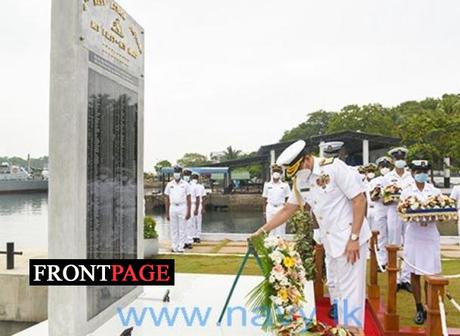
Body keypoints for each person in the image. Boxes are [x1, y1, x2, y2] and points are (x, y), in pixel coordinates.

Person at [253, 140, 371, 331]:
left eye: (298, 168)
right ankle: (344, 330)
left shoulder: (334, 168)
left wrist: (354, 239)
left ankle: (353, 331)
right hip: (330, 240)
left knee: (352, 294)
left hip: (350, 239)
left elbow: (359, 200)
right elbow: (287, 210)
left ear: (307, 159)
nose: (297, 174)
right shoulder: (300, 179)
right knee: (339, 291)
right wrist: (262, 231)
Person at [399, 160, 442, 324]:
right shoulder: (406, 192)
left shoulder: (436, 191)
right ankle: (419, 308)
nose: (421, 174)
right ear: (413, 173)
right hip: (414, 234)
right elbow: (403, 214)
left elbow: (442, 213)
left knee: (431, 273)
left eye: (424, 171)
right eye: (418, 171)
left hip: (430, 234)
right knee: (415, 272)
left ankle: (430, 306)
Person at [382, 147, 413, 291]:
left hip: (407, 213)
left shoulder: (410, 177)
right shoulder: (387, 177)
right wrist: (390, 197)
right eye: (397, 159)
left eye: (402, 159)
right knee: (393, 244)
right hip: (393, 211)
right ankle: (393, 279)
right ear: (393, 161)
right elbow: (383, 199)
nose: (400, 161)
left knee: (409, 244)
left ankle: (405, 278)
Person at [369, 156, 393, 268]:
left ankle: (393, 259)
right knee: (382, 236)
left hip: (392, 208)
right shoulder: (374, 181)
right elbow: (372, 197)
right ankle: (383, 261)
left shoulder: (394, 179)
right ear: (379, 168)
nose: (385, 168)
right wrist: (377, 193)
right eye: (383, 166)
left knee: (394, 235)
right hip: (380, 209)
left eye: (387, 166)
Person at [164, 165, 191, 253]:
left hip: (183, 207)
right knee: (173, 229)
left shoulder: (185, 184)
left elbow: (189, 198)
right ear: (173, 173)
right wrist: (167, 212)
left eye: (178, 172)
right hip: (172, 207)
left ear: (181, 173)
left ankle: (180, 247)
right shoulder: (169, 184)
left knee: (182, 228)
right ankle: (174, 246)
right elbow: (166, 198)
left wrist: (189, 212)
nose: (176, 174)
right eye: (175, 172)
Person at [262, 164, 291, 236]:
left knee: (281, 228)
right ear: (272, 173)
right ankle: (271, 245)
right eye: (275, 171)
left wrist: (287, 210)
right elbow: (264, 198)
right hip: (270, 207)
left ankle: (281, 245)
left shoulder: (285, 185)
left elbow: (288, 198)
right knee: (270, 227)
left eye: (278, 171)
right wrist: (264, 211)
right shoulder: (267, 185)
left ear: (281, 173)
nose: (276, 173)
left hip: (281, 207)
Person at [190, 172, 206, 243]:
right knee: (193, 221)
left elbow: (203, 197)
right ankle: (194, 236)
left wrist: (202, 207)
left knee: (196, 221)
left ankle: (197, 236)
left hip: (197, 204)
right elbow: (204, 198)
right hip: (193, 204)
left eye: (195, 177)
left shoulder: (200, 186)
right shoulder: (190, 185)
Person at [182, 168, 194, 249]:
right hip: (182, 205)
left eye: (188, 175)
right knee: (181, 225)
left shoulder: (193, 185)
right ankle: (182, 242)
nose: (186, 176)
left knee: (189, 224)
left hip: (191, 205)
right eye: (185, 175)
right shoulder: (180, 184)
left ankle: (189, 241)